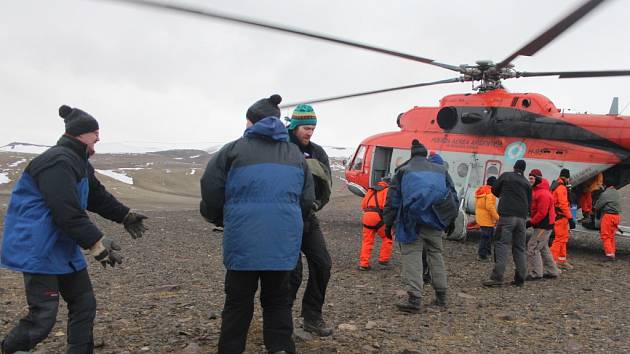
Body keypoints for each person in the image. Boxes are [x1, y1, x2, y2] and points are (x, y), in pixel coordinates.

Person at [1, 105, 148, 354]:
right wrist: (96, 243)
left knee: (84, 303)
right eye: (95, 133)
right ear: (81, 134)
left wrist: (125, 215)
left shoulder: (78, 162)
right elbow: (65, 211)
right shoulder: (57, 161)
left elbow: (97, 196)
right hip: (39, 248)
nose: (98, 138)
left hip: (62, 247)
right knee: (43, 317)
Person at [200, 94, 314, 354]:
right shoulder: (295, 155)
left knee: (238, 303)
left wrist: (221, 218)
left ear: (251, 121)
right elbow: (307, 200)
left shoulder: (232, 150)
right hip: (281, 245)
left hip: (243, 242)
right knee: (277, 302)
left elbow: (210, 190)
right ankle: (280, 348)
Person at [383, 140, 458, 312]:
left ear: (412, 154)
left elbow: (393, 201)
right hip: (435, 220)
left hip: (411, 222)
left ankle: (415, 299)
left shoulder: (403, 171)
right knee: (436, 255)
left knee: (412, 257)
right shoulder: (441, 170)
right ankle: (441, 296)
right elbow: (452, 196)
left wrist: (388, 223)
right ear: (425, 154)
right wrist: (450, 221)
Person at [286, 104, 334, 337]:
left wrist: (315, 205)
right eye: (306, 127)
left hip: (307, 218)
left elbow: (325, 185)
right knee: (292, 273)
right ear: (294, 126)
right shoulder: (280, 148)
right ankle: (281, 321)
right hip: (285, 221)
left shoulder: (317, 152)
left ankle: (312, 316)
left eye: (313, 128)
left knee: (322, 264)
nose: (310, 133)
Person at [483, 159, 531, 287]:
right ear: (524, 170)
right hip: (522, 218)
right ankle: (520, 278)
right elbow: (530, 201)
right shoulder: (527, 183)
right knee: (520, 248)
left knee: (502, 244)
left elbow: (494, 190)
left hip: (507, 217)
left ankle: (497, 277)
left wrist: (504, 196)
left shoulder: (506, 176)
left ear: (514, 167)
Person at [526, 169, 560, 280]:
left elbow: (542, 212)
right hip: (543, 225)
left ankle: (536, 273)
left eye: (532, 178)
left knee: (533, 246)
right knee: (543, 248)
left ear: (537, 179)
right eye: (529, 178)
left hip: (543, 226)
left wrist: (531, 222)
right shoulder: (539, 191)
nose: (530, 180)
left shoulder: (543, 193)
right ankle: (552, 271)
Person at [358, 177, 392, 271]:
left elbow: (364, 205)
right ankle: (383, 261)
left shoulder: (371, 190)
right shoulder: (387, 190)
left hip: (367, 216)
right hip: (379, 217)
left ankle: (363, 264)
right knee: (387, 238)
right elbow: (387, 205)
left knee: (367, 241)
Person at [550, 168, 576, 270]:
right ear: (567, 177)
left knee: (563, 238)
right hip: (561, 217)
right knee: (559, 239)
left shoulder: (557, 185)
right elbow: (563, 204)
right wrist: (570, 218)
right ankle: (552, 262)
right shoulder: (561, 188)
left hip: (560, 216)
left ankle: (561, 260)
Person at [594, 175, 622, 261]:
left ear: (606, 185)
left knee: (605, 236)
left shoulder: (605, 194)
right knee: (611, 236)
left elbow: (598, 206)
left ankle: (609, 255)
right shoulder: (616, 192)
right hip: (617, 216)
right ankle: (612, 252)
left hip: (608, 216)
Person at [475, 176, 499, 261]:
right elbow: (490, 207)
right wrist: (497, 217)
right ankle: (482, 255)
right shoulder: (490, 193)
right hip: (487, 218)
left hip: (481, 216)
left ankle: (487, 252)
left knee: (487, 235)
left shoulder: (482, 190)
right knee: (486, 237)